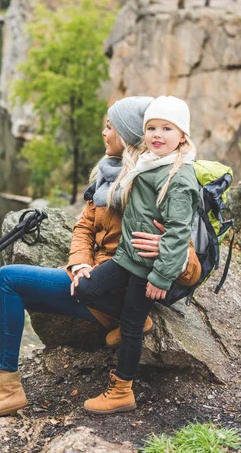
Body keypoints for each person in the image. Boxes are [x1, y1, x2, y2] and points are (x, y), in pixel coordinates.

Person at [0, 96, 199, 424]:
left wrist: (166, 250)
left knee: (8, 280)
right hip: (91, 278)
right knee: (2, 288)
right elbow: (83, 229)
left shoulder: (153, 181)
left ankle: (5, 388)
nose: (103, 133)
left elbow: (188, 263)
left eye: (110, 127)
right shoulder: (108, 177)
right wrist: (80, 263)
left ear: (128, 135)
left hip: (112, 295)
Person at [75, 95, 200, 415]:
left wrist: (160, 276)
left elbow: (177, 233)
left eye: (167, 129)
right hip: (125, 259)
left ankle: (121, 391)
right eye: (151, 128)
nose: (157, 135)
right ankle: (132, 322)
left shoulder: (179, 176)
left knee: (130, 326)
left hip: (147, 269)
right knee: (85, 287)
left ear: (182, 135)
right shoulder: (146, 162)